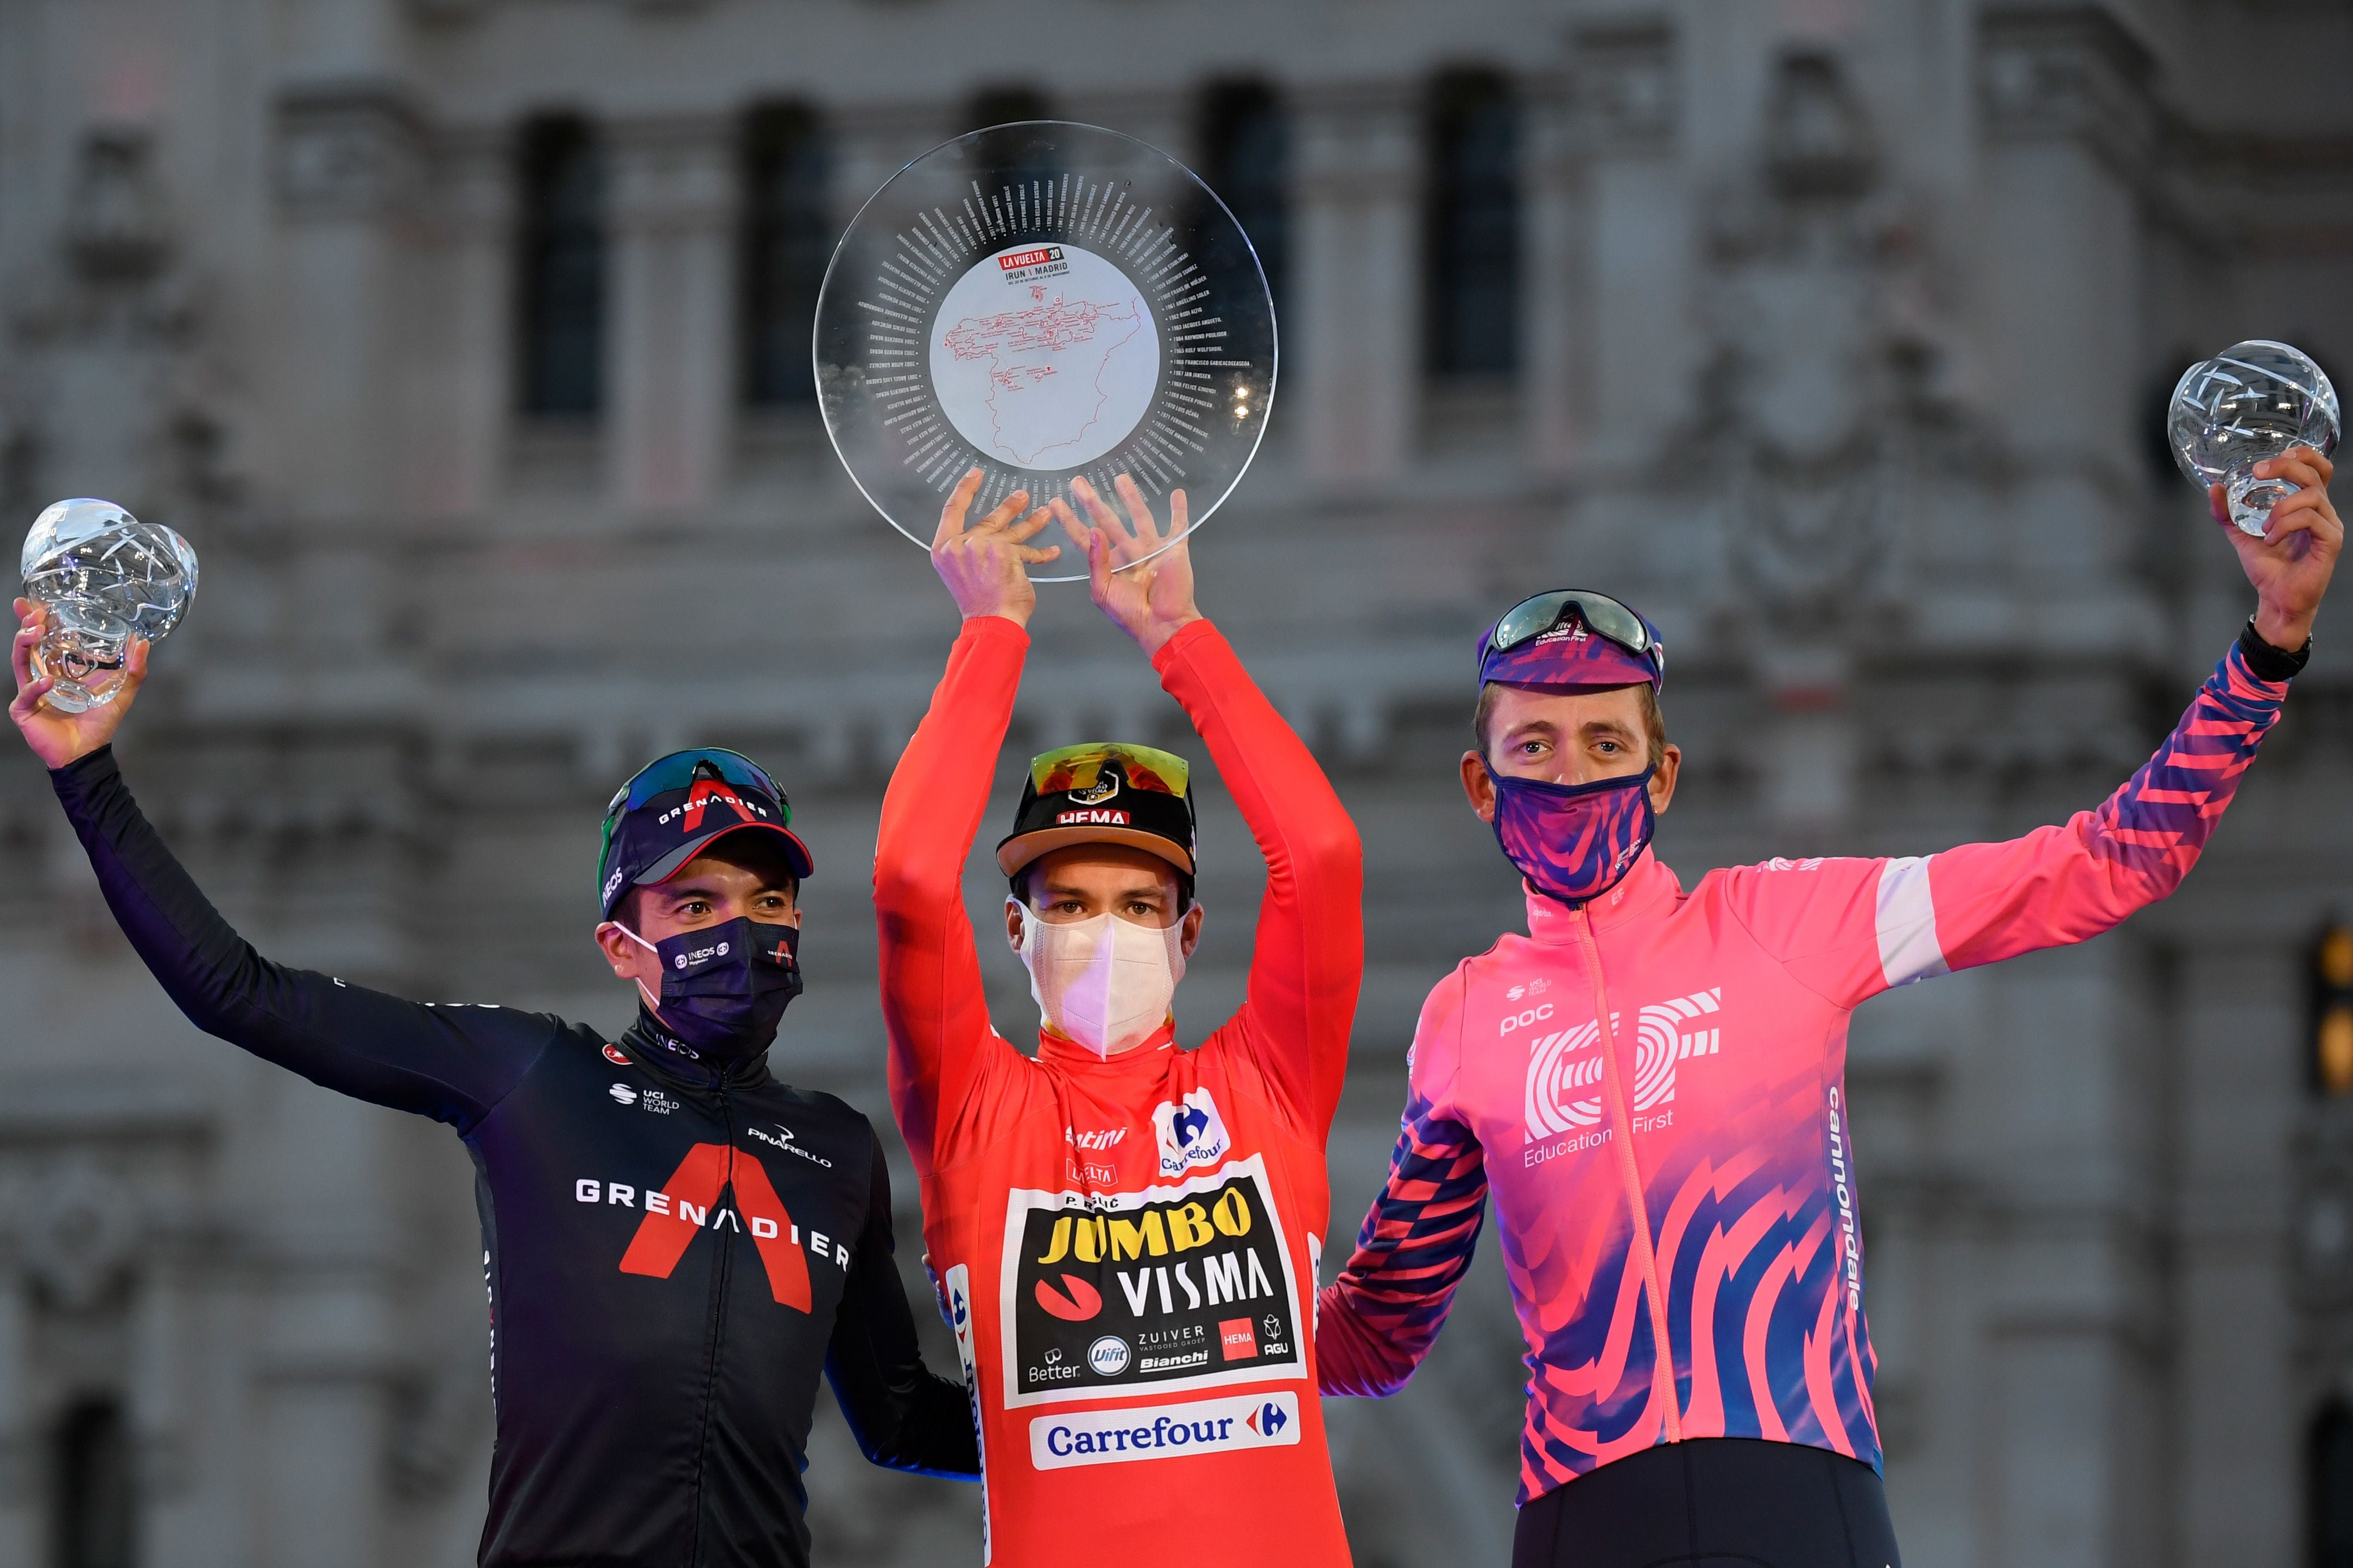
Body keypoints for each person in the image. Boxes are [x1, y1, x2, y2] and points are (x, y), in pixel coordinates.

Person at [1315, 446, 2342, 1568]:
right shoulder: (1463, 1019)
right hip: (1582, 1518)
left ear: (1661, 775)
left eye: (1607, 744)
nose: (1569, 778)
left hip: (1797, 1492)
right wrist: (1207, 1293)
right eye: (1534, 748)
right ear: (1482, 784)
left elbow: (2105, 862)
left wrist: (2267, 648)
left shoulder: (1787, 918)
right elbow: (1378, 1332)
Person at [9, 598, 978, 1568]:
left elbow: (904, 1422)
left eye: (769, 899)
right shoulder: (533, 1075)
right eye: (695, 902)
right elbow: (241, 992)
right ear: (619, 946)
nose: (743, 929)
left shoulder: (836, 1148)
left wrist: (1118, 1401)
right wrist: (86, 773)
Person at [874, 469, 1363, 1565]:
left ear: (1188, 937)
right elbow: (910, 874)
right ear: (1015, 930)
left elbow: (1321, 859)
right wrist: (993, 629)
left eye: (1141, 905)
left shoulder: (1264, 1087)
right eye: (1072, 904)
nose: (1107, 931)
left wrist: (1179, 635)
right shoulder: (973, 1111)